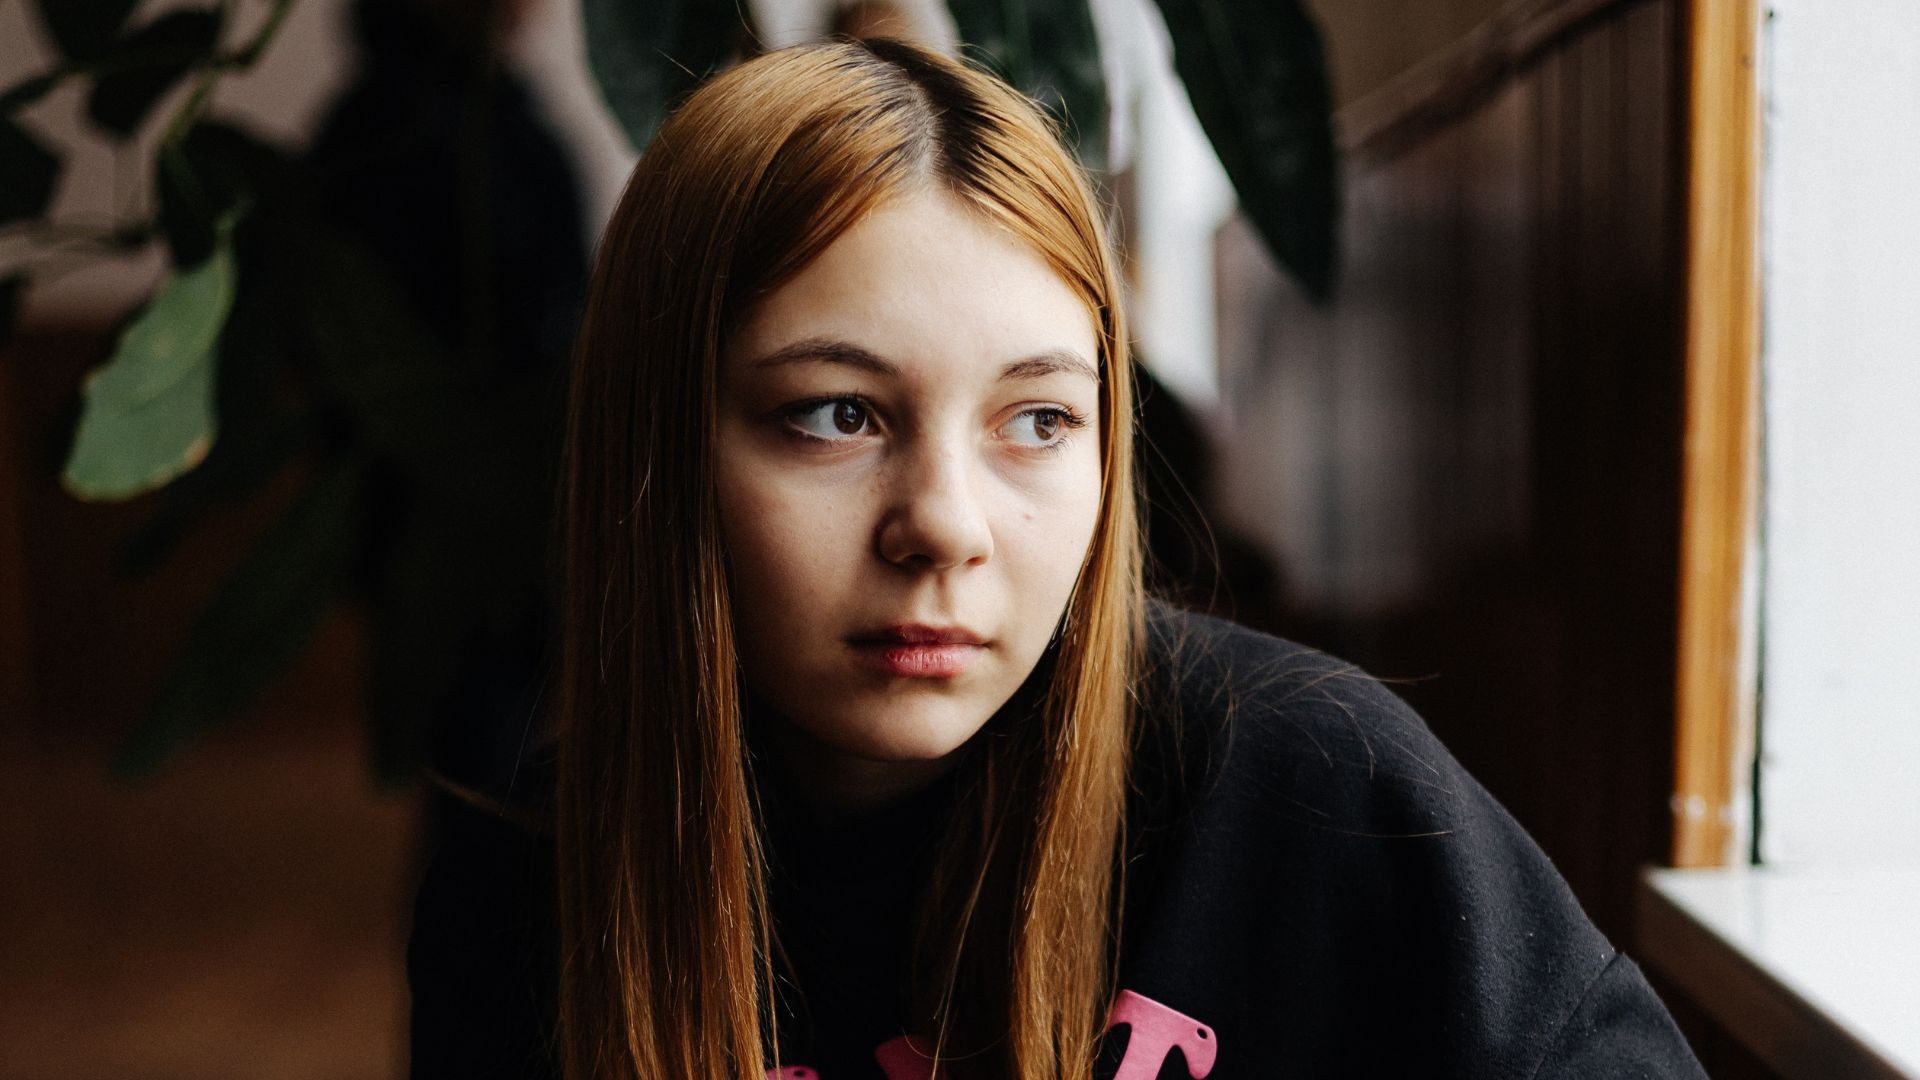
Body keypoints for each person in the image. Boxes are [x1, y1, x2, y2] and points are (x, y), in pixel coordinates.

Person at [406, 35, 1709, 1080]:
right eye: (836, 415)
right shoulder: (530, 879)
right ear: (660, 446)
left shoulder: (1304, 790)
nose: (949, 527)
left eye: (1037, 421)